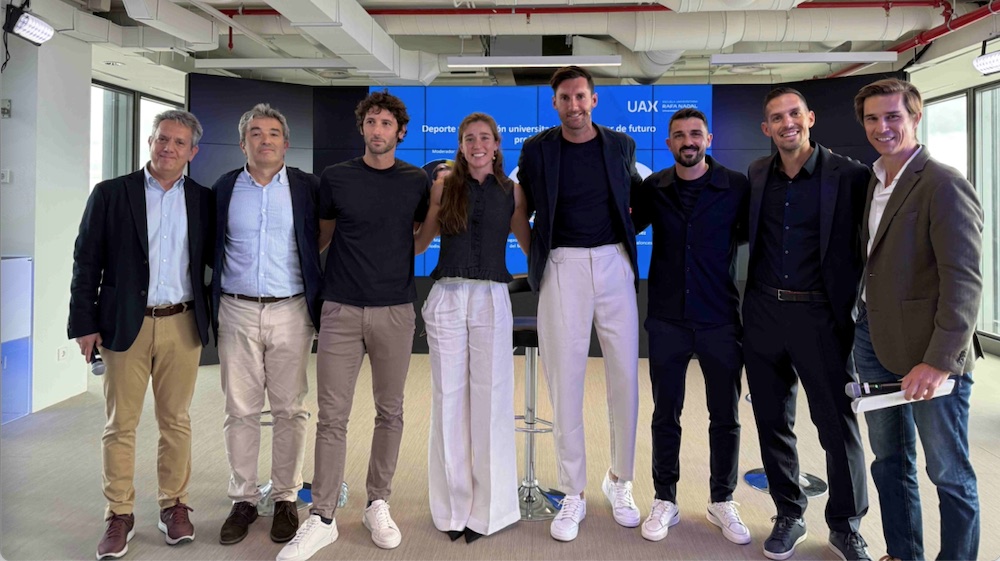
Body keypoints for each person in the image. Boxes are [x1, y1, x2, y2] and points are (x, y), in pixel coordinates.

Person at [277, 90, 430, 561]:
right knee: (332, 416)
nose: (378, 130)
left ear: (399, 132)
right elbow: (321, 238)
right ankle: (322, 516)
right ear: (362, 128)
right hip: (341, 310)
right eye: (371, 123)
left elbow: (420, 239)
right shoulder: (336, 178)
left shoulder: (416, 181)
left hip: (395, 310)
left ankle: (377, 502)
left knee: (391, 411)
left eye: (387, 123)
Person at [68, 110, 214, 560]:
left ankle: (174, 505)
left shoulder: (204, 200)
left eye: (178, 142)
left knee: (177, 421)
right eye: (161, 139)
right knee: (120, 424)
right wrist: (84, 323)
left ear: (193, 152)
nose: (168, 148)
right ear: (150, 141)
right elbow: (86, 261)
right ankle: (119, 513)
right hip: (122, 324)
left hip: (182, 323)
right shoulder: (112, 194)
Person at [852, 78, 982, 561]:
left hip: (932, 354)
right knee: (890, 462)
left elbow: (964, 282)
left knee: (948, 472)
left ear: (915, 117)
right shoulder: (874, 179)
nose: (882, 127)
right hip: (875, 342)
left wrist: (939, 361)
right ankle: (904, 553)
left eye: (892, 117)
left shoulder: (944, 183)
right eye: (872, 118)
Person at [742, 87, 872, 561]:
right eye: (776, 118)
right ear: (766, 128)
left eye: (793, 113)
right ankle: (789, 512)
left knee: (837, 426)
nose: (786, 123)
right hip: (763, 315)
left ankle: (846, 524)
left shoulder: (852, 176)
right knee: (773, 421)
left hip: (821, 316)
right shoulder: (757, 174)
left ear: (810, 118)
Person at [516, 65, 643, 542]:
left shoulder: (619, 145)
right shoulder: (537, 150)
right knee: (564, 379)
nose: (574, 105)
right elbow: (521, 210)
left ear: (594, 100)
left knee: (625, 378)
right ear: (555, 103)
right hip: (562, 265)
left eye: (581, 97)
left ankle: (620, 480)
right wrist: (540, 261)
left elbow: (633, 201)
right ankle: (573, 491)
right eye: (565, 98)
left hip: (613, 263)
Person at [211, 103, 330, 546]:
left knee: (290, 408)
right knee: (239, 409)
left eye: (274, 133)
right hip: (237, 308)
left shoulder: (307, 187)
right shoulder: (224, 188)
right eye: (256, 133)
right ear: (243, 142)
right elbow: (212, 247)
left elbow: (321, 233)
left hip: (291, 309)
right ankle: (242, 498)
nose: (265, 140)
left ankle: (284, 497)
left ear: (286, 142)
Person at [630, 108, 751, 545]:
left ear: (709, 138)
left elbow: (746, 234)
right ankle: (665, 497)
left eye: (695, 134)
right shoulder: (653, 187)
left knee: (726, 415)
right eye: (679, 135)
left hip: (720, 316)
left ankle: (722, 499)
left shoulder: (736, 186)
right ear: (668, 143)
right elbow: (625, 227)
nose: (688, 141)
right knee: (666, 414)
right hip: (666, 318)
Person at [414, 113, 531, 544]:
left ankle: (490, 510)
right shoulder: (444, 186)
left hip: (491, 299)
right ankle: (452, 509)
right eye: (469, 138)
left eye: (485, 138)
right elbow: (421, 241)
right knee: (448, 401)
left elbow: (527, 243)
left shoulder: (512, 192)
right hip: (447, 295)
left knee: (492, 399)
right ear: (461, 146)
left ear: (497, 145)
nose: (477, 144)